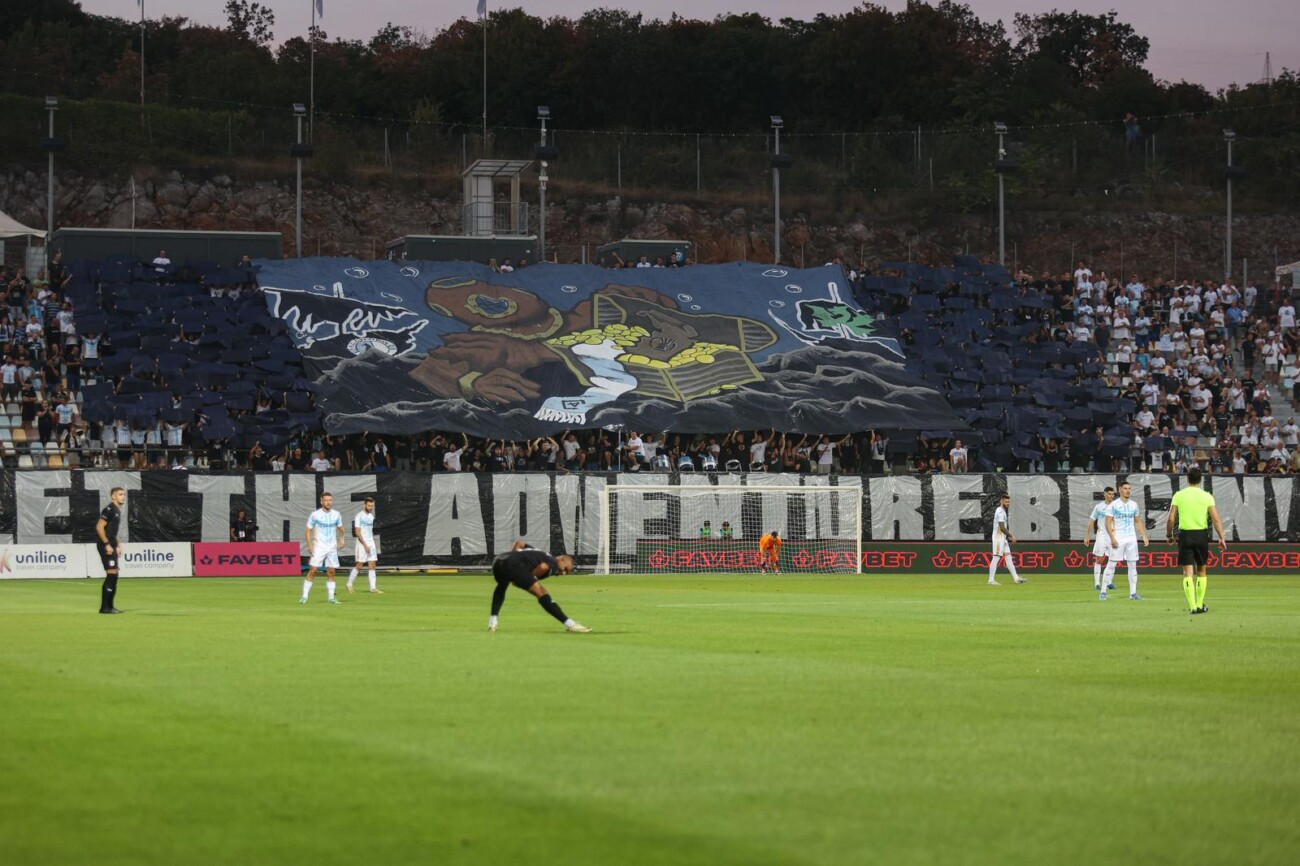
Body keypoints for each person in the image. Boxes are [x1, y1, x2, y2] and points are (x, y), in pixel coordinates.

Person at [488, 542, 590, 632]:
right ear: (561, 559)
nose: (563, 573)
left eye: (566, 573)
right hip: (513, 563)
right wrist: (531, 578)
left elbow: (519, 543)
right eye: (565, 569)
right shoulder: (553, 562)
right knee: (541, 592)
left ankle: (493, 621)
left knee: (502, 585)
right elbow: (543, 567)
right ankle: (571, 624)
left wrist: (513, 557)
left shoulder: (539, 553)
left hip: (498, 561)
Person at [1167, 466, 1228, 615]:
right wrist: (1222, 537)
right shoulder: (1207, 496)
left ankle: (1193, 606)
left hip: (1185, 535)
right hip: (1201, 535)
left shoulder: (1179, 495)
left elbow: (1171, 518)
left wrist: (1169, 535)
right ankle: (1200, 604)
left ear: (1187, 479)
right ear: (1200, 479)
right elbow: (1215, 519)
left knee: (1187, 572)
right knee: (1201, 570)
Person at [1101, 481, 1150, 600]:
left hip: (1131, 538)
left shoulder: (1134, 504)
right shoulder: (1113, 505)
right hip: (1118, 538)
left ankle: (1133, 593)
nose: (1128, 490)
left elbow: (1137, 521)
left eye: (1129, 488)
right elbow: (1107, 522)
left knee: (1132, 565)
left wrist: (1144, 535)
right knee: (1112, 564)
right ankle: (1103, 591)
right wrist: (1112, 538)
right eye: (1125, 488)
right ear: (1120, 490)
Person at [301, 492, 345, 604]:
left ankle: (331, 598)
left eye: (330, 500)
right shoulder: (315, 515)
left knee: (331, 571)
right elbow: (307, 530)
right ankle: (304, 596)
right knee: (313, 570)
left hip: (332, 547)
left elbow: (341, 528)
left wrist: (342, 539)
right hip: (319, 546)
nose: (328, 502)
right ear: (321, 502)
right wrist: (310, 545)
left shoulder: (336, 514)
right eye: (326, 500)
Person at [96, 487, 126, 614]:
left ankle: (110, 606)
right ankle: (105, 607)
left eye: (124, 494)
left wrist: (118, 544)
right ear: (113, 496)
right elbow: (99, 527)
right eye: (120, 494)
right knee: (112, 573)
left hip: (112, 544)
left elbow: (111, 531)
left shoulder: (117, 510)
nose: (123, 496)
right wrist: (107, 544)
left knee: (114, 574)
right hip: (106, 545)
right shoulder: (109, 509)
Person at [1082, 486, 1117, 591]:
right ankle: (1097, 583)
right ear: (1105, 494)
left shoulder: (1117, 506)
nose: (1111, 496)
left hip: (1114, 536)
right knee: (1099, 559)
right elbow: (1091, 521)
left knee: (1113, 559)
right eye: (1109, 494)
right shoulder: (1098, 507)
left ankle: (1109, 582)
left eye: (1112, 494)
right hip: (1102, 535)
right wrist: (1087, 536)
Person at [987, 493, 1026, 585]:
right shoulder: (1000, 511)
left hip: (1003, 538)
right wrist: (1011, 536)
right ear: (1001, 501)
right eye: (1006, 502)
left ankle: (1016, 578)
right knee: (996, 557)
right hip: (998, 537)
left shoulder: (1003, 511)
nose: (1007, 503)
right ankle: (991, 580)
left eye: (1008, 502)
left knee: (1009, 558)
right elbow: (1002, 527)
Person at [346, 497, 382, 594]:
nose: (371, 508)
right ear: (364, 505)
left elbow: (369, 532)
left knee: (372, 565)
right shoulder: (359, 516)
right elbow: (357, 532)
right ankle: (349, 584)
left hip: (371, 543)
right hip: (362, 544)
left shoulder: (371, 517)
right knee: (359, 565)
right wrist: (365, 544)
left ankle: (373, 588)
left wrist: (371, 543)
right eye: (369, 506)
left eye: (372, 506)